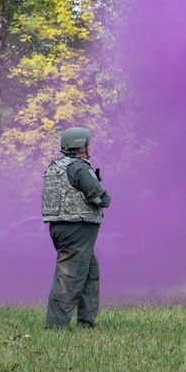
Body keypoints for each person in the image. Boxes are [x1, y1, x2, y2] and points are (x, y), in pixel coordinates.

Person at [41, 126, 111, 329]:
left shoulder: (55, 167)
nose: (89, 147)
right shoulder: (79, 167)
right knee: (68, 276)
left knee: (89, 271)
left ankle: (86, 322)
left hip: (60, 226)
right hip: (77, 228)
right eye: (87, 143)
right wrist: (105, 198)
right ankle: (55, 327)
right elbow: (99, 196)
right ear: (80, 146)